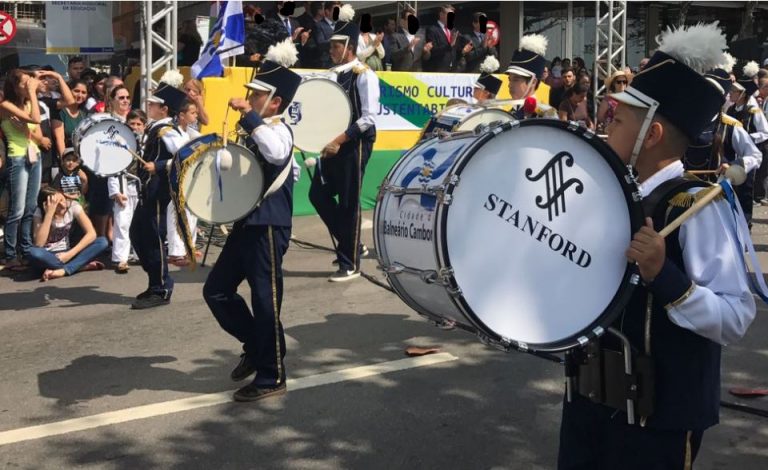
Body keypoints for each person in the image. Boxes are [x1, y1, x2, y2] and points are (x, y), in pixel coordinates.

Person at [558, 23, 757, 469]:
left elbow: (736, 317)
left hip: (658, 418)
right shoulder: (607, 196)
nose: (605, 124)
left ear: (651, 136)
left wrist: (665, 277)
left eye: (618, 119)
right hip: (588, 397)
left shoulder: (697, 207)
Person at [203, 37, 302, 402]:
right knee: (215, 290)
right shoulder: (254, 130)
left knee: (265, 301)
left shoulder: (278, 130)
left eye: (258, 94)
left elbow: (276, 153)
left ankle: (272, 375)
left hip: (270, 227)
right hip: (247, 224)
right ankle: (257, 345)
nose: (250, 97)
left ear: (275, 101)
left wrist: (248, 114)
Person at [308, 4, 379, 281]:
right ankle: (352, 244)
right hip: (333, 144)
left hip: (354, 143)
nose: (331, 50)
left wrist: (340, 140)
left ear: (349, 46)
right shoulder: (333, 74)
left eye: (336, 46)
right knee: (318, 195)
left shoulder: (364, 75)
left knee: (349, 202)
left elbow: (369, 117)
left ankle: (350, 264)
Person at [129, 80, 187, 309]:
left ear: (164, 109)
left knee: (153, 239)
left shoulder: (168, 131)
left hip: (158, 193)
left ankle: (161, 287)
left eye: (154, 103)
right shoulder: (156, 127)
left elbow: (187, 155)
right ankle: (155, 280)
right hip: (148, 192)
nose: (149, 105)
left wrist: (160, 166)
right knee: (138, 235)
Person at [1, 70, 44, 271]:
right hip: (17, 157)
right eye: (25, 83)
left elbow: (37, 128)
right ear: (15, 85)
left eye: (30, 82)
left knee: (30, 207)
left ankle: (26, 250)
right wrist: (33, 93)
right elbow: (35, 119)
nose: (29, 86)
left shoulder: (27, 102)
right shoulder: (5, 105)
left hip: (34, 156)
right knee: (16, 210)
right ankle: (10, 255)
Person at [29, 187, 107, 281]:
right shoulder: (39, 212)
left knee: (102, 242)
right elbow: (39, 243)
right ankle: (79, 266)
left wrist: (70, 254)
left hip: (67, 252)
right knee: (34, 253)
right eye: (57, 204)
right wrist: (49, 214)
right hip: (48, 256)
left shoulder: (73, 206)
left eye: (63, 200)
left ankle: (63, 270)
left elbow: (91, 233)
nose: (63, 205)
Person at [726, 61, 768, 222]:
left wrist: (747, 138)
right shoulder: (730, 110)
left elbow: (765, 132)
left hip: (748, 156)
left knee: (744, 192)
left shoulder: (753, 111)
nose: (730, 94)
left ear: (742, 94)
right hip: (732, 157)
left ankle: (746, 223)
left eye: (734, 91)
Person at [109, 109, 146, 274]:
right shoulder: (118, 145)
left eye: (139, 124)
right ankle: (120, 259)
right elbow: (111, 169)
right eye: (132, 124)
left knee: (140, 223)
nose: (135, 127)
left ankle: (140, 253)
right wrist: (115, 192)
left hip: (139, 189)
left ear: (144, 126)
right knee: (122, 222)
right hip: (124, 187)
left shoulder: (146, 145)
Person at [166, 99, 201, 267]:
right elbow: (179, 152)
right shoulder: (171, 132)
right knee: (176, 211)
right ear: (181, 115)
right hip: (175, 177)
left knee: (192, 211)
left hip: (190, 176)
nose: (196, 116)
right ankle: (176, 252)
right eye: (192, 113)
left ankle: (189, 247)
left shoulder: (190, 132)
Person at [505, 34, 556, 119]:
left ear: (533, 82)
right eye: (510, 80)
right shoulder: (507, 114)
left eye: (516, 79)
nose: (509, 85)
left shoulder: (547, 115)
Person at [52, 79, 88, 159]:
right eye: (76, 91)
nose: (80, 95)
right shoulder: (60, 112)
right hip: (64, 159)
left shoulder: (84, 115)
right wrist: (65, 161)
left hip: (79, 159)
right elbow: (60, 139)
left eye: (83, 92)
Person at [389, 6, 432, 72]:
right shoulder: (395, 36)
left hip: (417, 75)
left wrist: (426, 51)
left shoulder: (421, 37)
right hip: (402, 75)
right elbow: (393, 56)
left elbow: (426, 58)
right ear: (402, 21)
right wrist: (408, 48)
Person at [423, 4, 456, 73]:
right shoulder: (432, 29)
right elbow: (433, 51)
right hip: (438, 70)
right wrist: (449, 45)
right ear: (441, 14)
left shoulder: (453, 30)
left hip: (452, 70)